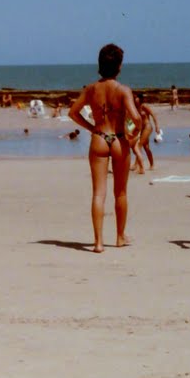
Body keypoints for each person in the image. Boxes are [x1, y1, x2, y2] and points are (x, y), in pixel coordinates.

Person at [68, 43, 142, 253]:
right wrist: (134, 133)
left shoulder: (91, 89)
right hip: (119, 139)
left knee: (98, 194)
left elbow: (73, 112)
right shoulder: (123, 90)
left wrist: (92, 127)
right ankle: (119, 236)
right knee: (120, 192)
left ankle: (98, 242)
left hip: (100, 137)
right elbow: (136, 118)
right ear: (119, 66)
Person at [131, 94, 160, 174]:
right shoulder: (134, 108)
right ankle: (152, 165)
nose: (135, 99)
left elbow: (153, 115)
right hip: (142, 128)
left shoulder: (144, 106)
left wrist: (157, 126)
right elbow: (131, 120)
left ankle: (137, 165)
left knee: (139, 145)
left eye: (136, 98)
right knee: (146, 147)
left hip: (148, 126)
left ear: (140, 98)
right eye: (134, 98)